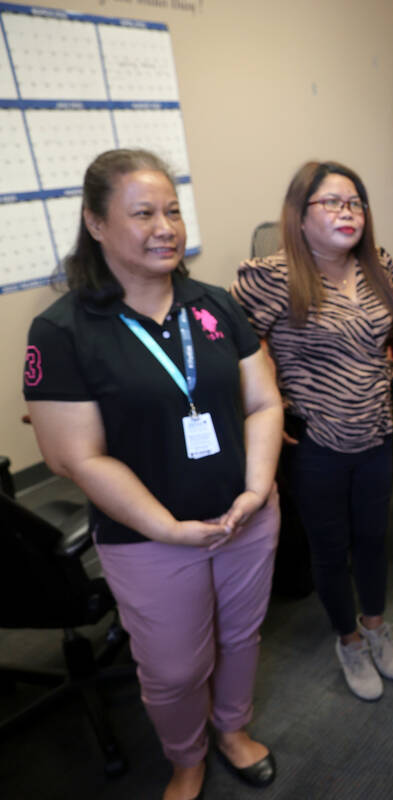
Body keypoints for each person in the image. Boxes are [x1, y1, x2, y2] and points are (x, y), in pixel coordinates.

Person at [23, 149, 283, 800]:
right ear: (96, 223)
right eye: (143, 213)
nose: (165, 225)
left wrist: (255, 491)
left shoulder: (216, 305)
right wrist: (168, 527)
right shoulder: (63, 330)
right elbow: (73, 457)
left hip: (245, 516)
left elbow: (264, 402)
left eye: (172, 210)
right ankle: (186, 757)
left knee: (241, 636)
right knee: (173, 669)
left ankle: (232, 729)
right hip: (148, 538)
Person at [230, 161, 393, 702]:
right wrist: (271, 398)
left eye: (354, 202)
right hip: (316, 438)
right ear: (299, 215)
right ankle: (348, 640)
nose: (346, 212)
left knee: (376, 539)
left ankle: (376, 626)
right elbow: (239, 344)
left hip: (376, 428)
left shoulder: (377, 263)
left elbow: (385, 336)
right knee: (330, 549)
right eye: (331, 202)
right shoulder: (269, 275)